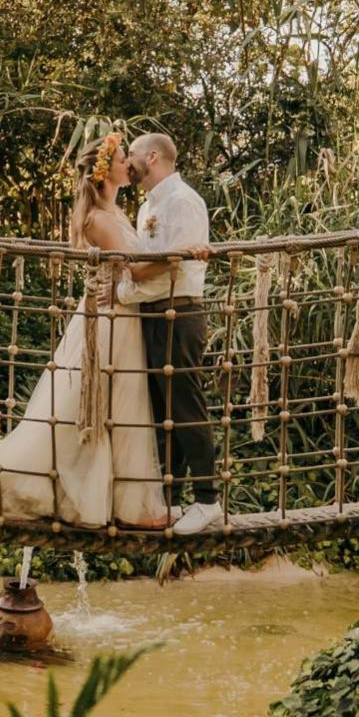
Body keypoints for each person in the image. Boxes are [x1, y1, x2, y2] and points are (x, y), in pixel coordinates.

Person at [0, 133, 169, 528]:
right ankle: (90, 497)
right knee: (88, 405)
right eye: (121, 159)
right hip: (109, 321)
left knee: (120, 406)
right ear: (104, 172)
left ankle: (128, 503)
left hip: (121, 315)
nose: (128, 165)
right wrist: (181, 258)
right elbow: (134, 268)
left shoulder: (116, 213)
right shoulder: (98, 219)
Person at [114, 133, 220, 537]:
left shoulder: (183, 201)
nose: (129, 162)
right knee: (163, 413)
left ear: (152, 157)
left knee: (186, 406)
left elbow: (176, 262)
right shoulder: (147, 207)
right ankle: (170, 500)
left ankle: (208, 500)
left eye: (134, 155)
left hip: (180, 314)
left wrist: (130, 282)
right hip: (152, 316)